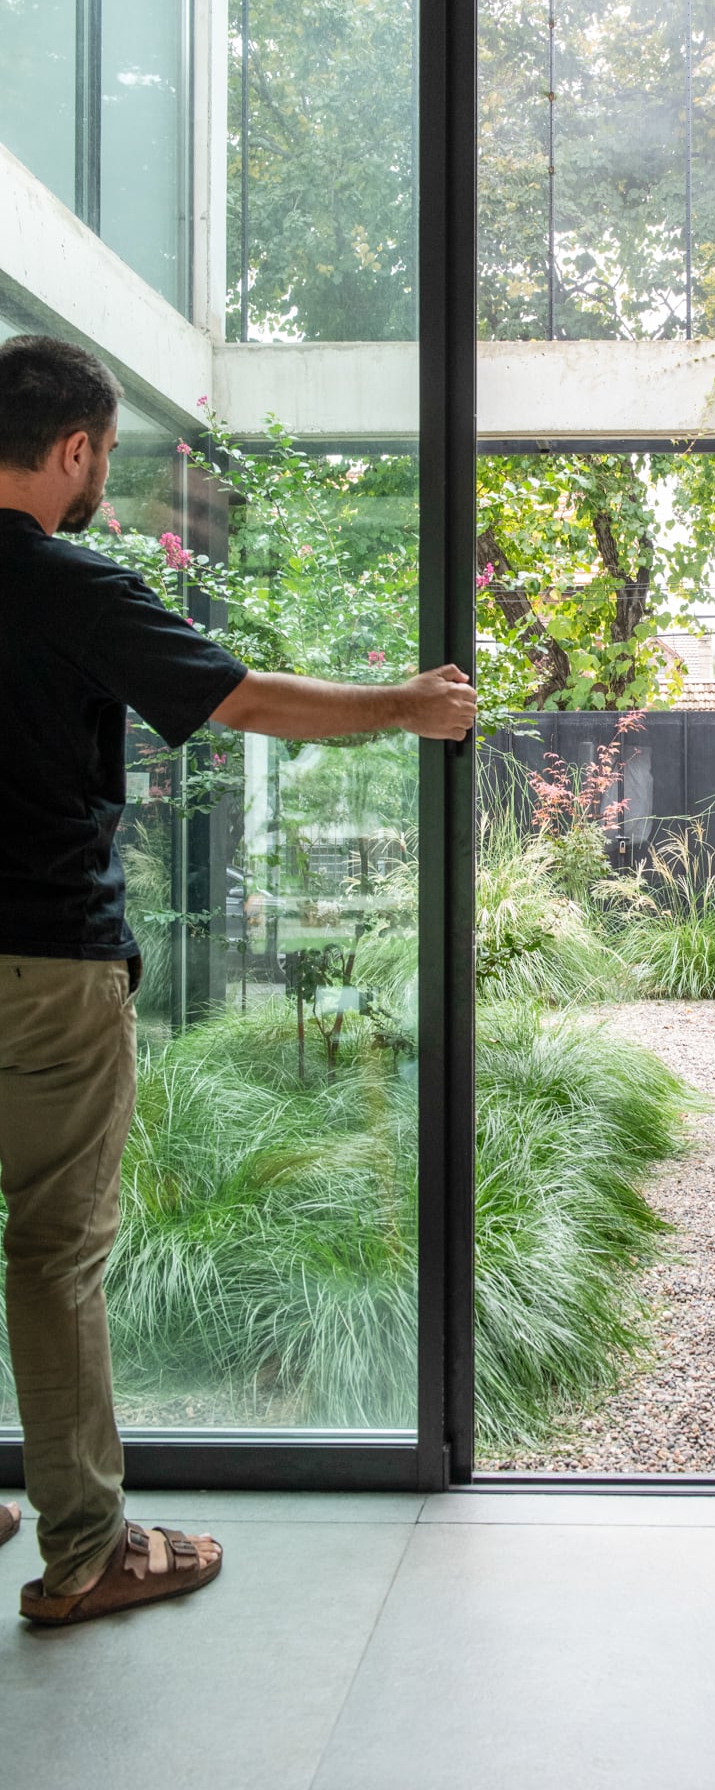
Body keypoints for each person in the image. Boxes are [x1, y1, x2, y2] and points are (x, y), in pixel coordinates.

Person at [0, 335, 477, 1625]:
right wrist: (405, 705)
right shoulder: (69, 586)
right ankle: (88, 1549)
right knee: (53, 1253)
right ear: (77, 449)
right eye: (105, 453)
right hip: (45, 959)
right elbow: (238, 699)